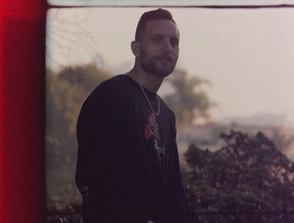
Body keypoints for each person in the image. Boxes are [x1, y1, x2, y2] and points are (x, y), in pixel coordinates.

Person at [75, 8, 200, 223]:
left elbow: (173, 193)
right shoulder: (111, 96)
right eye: (157, 39)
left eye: (174, 42)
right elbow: (92, 177)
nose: (167, 48)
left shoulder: (166, 115)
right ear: (136, 48)